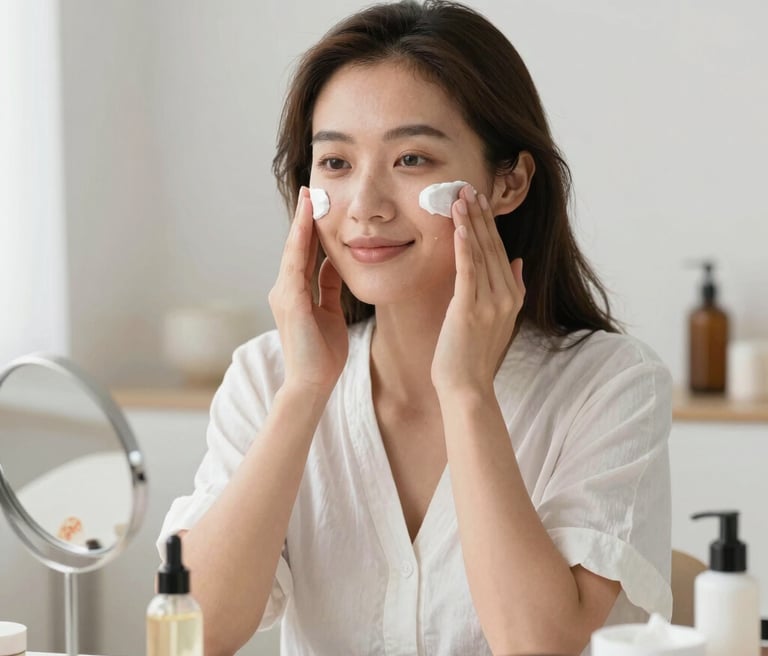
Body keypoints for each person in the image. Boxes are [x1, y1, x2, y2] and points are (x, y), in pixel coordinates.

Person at [157, 2, 672, 655]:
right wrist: (304, 392)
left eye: (412, 160)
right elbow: (191, 635)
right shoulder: (268, 377)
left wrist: (466, 393)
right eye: (336, 164)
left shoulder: (611, 386)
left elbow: (543, 647)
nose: (365, 208)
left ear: (509, 181)